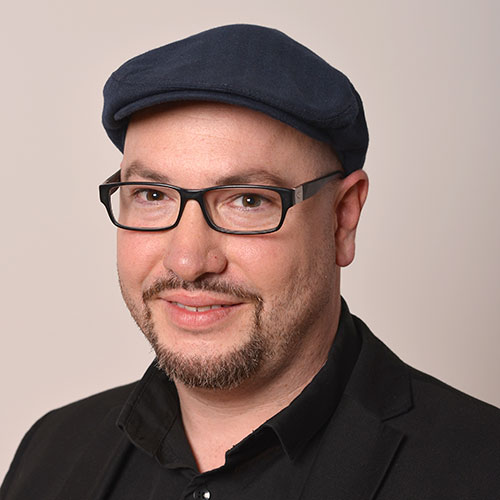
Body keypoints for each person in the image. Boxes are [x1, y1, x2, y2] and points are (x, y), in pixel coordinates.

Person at [1, 24, 499, 500]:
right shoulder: (51, 453)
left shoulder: (481, 470)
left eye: (247, 200)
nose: (189, 260)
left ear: (342, 218)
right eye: (152, 194)